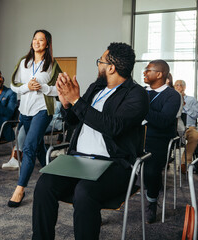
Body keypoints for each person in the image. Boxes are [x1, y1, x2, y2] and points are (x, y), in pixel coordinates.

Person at [32, 42, 149, 240]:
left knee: (84, 192)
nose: (98, 65)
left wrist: (78, 101)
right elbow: (73, 121)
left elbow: (113, 127)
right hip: (78, 161)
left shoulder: (137, 94)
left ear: (111, 68)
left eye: (100, 61)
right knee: (44, 185)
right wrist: (67, 104)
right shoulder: (97, 87)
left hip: (114, 164)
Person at [9, 29, 62, 207]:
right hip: (24, 110)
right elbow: (13, 85)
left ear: (47, 43)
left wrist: (43, 88)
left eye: (41, 40)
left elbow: (60, 89)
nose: (36, 42)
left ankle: (20, 189)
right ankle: (53, 174)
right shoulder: (24, 62)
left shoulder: (53, 65)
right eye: (34, 39)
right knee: (39, 146)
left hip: (42, 110)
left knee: (29, 147)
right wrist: (27, 87)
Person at [142, 60, 181, 223]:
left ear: (159, 74)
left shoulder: (172, 95)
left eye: (147, 70)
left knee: (151, 171)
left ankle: (152, 202)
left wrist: (141, 110)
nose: (144, 73)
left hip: (158, 141)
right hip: (135, 138)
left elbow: (164, 120)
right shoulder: (142, 93)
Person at [2, 100, 63, 170]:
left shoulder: (59, 95)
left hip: (54, 123)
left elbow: (61, 110)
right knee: (27, 129)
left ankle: (16, 157)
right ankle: (16, 157)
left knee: (29, 131)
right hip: (41, 119)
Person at [174, 80, 198, 174]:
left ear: (184, 87)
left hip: (189, 128)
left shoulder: (191, 100)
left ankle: (184, 163)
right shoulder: (171, 99)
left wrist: (185, 106)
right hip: (175, 128)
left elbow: (196, 115)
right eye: (176, 85)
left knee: (195, 136)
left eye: (180, 85)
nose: (178, 87)